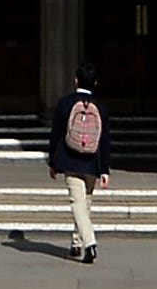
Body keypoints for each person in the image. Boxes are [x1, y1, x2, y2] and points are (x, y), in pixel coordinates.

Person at [45, 65, 110, 263]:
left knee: (78, 204)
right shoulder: (101, 107)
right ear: (95, 83)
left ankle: (89, 243)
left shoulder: (65, 104)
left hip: (70, 160)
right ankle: (76, 242)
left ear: (76, 81)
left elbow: (55, 134)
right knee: (85, 204)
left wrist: (53, 161)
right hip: (91, 162)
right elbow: (105, 140)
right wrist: (104, 169)